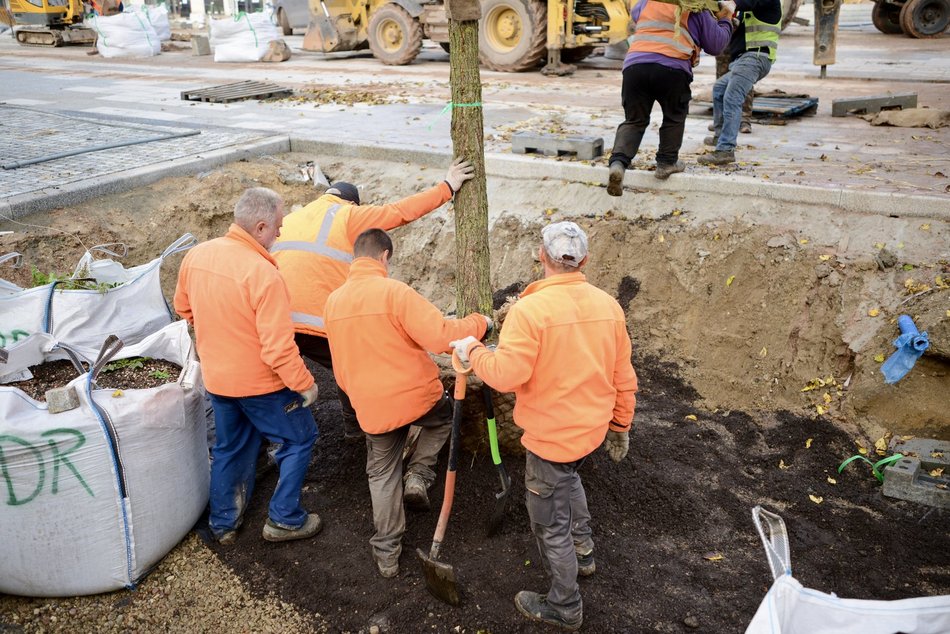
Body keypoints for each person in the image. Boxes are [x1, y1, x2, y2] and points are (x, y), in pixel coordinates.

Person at [449, 222, 638, 631]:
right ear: (584, 261)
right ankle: (584, 551)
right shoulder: (609, 306)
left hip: (551, 438)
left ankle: (565, 606)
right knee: (569, 480)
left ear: (541, 256)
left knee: (548, 524)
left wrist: (474, 350)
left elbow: (505, 375)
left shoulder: (530, 311)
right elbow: (623, 374)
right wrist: (620, 423)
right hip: (589, 431)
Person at [323, 228, 490, 578]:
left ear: (356, 257)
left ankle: (386, 553)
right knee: (443, 419)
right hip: (417, 399)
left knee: (381, 473)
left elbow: (339, 367)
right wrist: (481, 322)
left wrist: (359, 399)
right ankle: (420, 472)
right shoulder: (394, 292)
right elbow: (443, 337)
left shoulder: (333, 302)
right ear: (385, 256)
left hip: (371, 407)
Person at [272, 158, 475, 441]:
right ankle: (355, 427)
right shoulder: (347, 216)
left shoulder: (291, 219)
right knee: (350, 363)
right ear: (353, 203)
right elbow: (399, 212)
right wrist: (447, 187)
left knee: (275, 378)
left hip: (279, 321)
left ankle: (275, 434)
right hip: (321, 321)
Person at [174, 187, 322, 545]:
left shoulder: (197, 255)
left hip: (219, 379)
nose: (280, 234)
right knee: (300, 438)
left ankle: (224, 523)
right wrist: (305, 384)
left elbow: (184, 308)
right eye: (278, 228)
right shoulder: (263, 273)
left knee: (230, 447)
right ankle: (284, 518)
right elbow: (277, 348)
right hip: (261, 385)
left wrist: (221, 333)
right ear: (259, 228)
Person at [607, 0, 735, 195]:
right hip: (672, 67)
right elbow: (716, 45)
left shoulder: (647, 3)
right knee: (674, 115)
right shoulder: (695, 8)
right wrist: (725, 19)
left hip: (635, 66)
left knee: (634, 119)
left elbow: (635, 14)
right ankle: (666, 162)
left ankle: (618, 162)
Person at [699, 0, 782, 166]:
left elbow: (746, 2)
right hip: (745, 60)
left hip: (756, 57)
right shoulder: (747, 11)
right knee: (720, 89)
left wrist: (725, 3)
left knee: (732, 97)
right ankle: (720, 137)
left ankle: (725, 150)